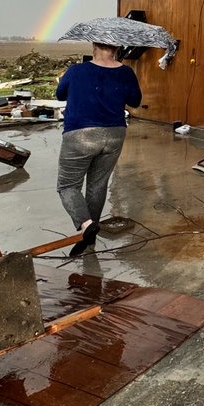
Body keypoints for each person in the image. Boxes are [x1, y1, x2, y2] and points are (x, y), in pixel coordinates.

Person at [56, 42, 142, 256]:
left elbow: (60, 95)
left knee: (67, 186)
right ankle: (90, 235)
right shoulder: (126, 72)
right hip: (114, 134)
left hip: (80, 134)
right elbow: (135, 101)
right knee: (98, 185)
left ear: (95, 46)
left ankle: (86, 224)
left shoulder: (76, 70)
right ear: (116, 48)